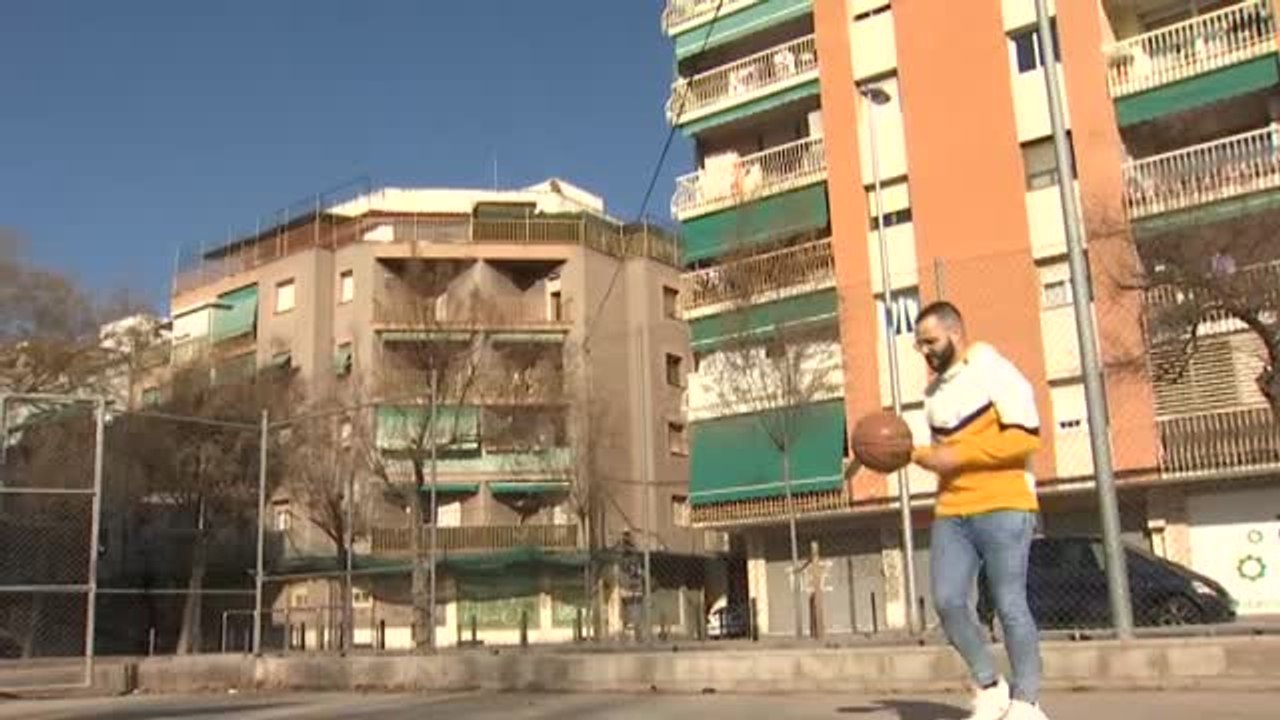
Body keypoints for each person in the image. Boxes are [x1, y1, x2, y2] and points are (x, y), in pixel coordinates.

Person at [909, 301, 1049, 720]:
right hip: (953, 510)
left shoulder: (992, 368)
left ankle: (1027, 703)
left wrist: (958, 457)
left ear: (954, 333)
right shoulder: (932, 397)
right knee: (948, 601)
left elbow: (1026, 438)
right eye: (919, 345)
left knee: (1009, 604)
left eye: (930, 342)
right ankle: (991, 688)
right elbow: (942, 456)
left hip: (1005, 504)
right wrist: (906, 452)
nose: (925, 352)